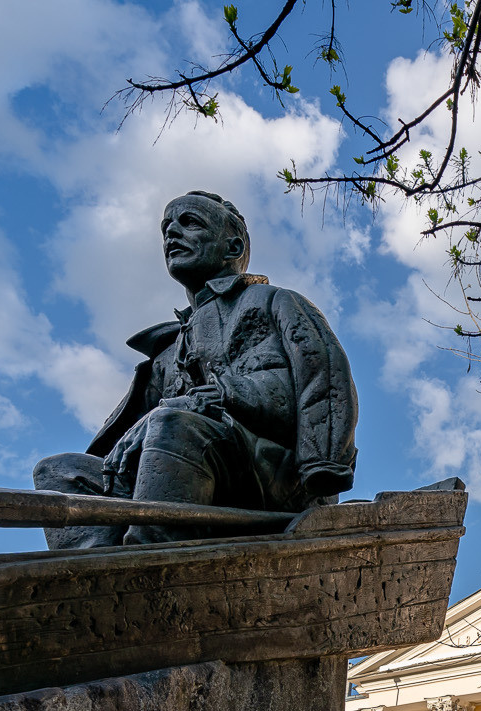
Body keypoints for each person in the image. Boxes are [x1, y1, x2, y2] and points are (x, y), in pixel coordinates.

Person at [34, 190, 356, 545]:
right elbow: (131, 436)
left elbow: (319, 379)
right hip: (174, 468)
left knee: (173, 424)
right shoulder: (166, 352)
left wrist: (210, 399)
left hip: (272, 475)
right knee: (60, 471)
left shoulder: (270, 302)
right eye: (166, 228)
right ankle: (93, 569)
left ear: (233, 248)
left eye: (190, 223)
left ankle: (148, 563)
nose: (172, 233)